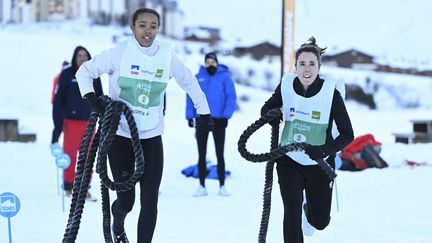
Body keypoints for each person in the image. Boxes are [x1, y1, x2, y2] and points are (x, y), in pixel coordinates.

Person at [75, 8, 213, 243]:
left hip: (151, 137)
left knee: (150, 199)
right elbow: (85, 72)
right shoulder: (119, 53)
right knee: (127, 201)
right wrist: (93, 101)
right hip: (120, 136)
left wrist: (204, 113)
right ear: (132, 28)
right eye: (142, 25)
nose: (148, 31)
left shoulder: (166, 57)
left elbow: (189, 82)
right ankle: (118, 224)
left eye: (153, 26)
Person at [260, 36, 354, 243]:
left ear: (319, 66)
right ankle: (298, 209)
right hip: (288, 160)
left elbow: (348, 134)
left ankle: (308, 209)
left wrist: (324, 150)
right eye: (302, 63)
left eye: (312, 63)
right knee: (290, 214)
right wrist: (272, 113)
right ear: (296, 66)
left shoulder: (331, 93)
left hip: (319, 162)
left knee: (319, 221)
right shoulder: (286, 85)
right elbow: (266, 108)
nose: (306, 69)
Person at [51, 46, 103, 201]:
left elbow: (100, 97)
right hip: (71, 123)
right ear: (74, 57)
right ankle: (68, 187)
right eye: (79, 55)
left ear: (89, 57)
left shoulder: (94, 74)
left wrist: (103, 117)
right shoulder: (67, 74)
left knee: (88, 158)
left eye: (85, 55)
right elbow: (58, 100)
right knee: (71, 157)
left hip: (89, 123)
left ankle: (84, 188)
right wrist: (57, 125)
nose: (82, 58)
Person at [186, 52, 237, 197]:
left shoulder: (225, 78)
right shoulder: (198, 77)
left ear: (217, 63)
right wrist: (190, 116)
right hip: (202, 120)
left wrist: (226, 115)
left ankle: (222, 186)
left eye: (212, 62)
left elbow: (231, 97)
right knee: (201, 154)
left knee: (219, 154)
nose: (210, 64)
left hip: (219, 121)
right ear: (204, 63)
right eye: (207, 62)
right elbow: (190, 97)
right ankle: (202, 186)